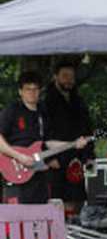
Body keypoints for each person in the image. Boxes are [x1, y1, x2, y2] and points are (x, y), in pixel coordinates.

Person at [0, 71, 88, 204]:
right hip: (15, 172)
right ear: (20, 92)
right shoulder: (12, 110)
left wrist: (73, 143)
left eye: (35, 89)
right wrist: (19, 156)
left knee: (40, 213)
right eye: (28, 89)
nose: (32, 92)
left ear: (40, 91)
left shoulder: (43, 112)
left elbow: (47, 142)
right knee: (18, 216)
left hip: (38, 173)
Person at [43, 60, 94, 217]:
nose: (69, 80)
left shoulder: (78, 101)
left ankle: (74, 236)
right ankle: (59, 238)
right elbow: (41, 133)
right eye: (65, 76)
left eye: (71, 77)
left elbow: (87, 130)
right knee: (57, 203)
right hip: (56, 160)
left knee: (77, 202)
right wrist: (48, 158)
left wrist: (89, 156)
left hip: (76, 159)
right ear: (55, 77)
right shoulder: (45, 102)